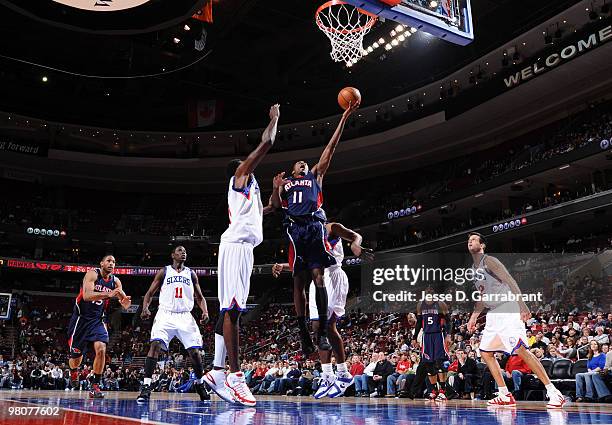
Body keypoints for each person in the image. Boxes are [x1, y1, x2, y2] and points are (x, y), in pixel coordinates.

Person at [203, 104, 280, 407]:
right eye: (244, 165)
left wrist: (274, 191)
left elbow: (269, 209)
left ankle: (217, 372)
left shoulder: (249, 192)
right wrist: (273, 119)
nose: (248, 167)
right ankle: (236, 377)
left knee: (228, 310)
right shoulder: (239, 179)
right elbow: (268, 143)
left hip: (241, 248)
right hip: (235, 248)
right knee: (234, 311)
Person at [271, 101, 360, 357]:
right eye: (298, 164)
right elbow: (276, 206)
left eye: (304, 163)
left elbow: (331, 148)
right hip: (294, 230)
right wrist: (275, 187)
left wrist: (344, 117)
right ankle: (303, 335)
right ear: (292, 171)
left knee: (318, 276)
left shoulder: (315, 177)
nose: (302, 164)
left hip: (313, 227)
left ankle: (319, 335)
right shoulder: (286, 184)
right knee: (298, 282)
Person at [272, 221, 372, 399]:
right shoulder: (305, 235)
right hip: (316, 281)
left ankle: (342, 373)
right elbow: (303, 263)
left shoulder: (331, 227)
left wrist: (356, 245)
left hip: (333, 277)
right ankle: (327, 375)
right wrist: (283, 265)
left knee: (328, 326)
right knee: (317, 328)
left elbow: (354, 236)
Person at [466, 232, 565, 408]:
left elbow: (510, 280)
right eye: (469, 240)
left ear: (482, 245)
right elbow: (482, 296)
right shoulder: (474, 269)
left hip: (507, 308)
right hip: (493, 313)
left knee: (520, 349)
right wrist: (474, 316)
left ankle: (553, 392)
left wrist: (522, 304)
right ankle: (504, 394)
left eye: (473, 239)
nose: (470, 242)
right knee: (485, 353)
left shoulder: (490, 261)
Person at [137, 246, 209, 403]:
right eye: (179, 250)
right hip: (165, 314)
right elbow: (149, 293)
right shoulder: (164, 271)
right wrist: (145, 308)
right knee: (155, 345)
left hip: (185, 316)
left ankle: (199, 384)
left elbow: (200, 297)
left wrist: (205, 312)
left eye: (185, 251)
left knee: (195, 354)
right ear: (172, 255)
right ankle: (146, 386)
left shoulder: (191, 273)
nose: (183, 252)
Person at [67, 255, 131, 399]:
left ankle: (95, 385)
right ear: (101, 263)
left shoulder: (116, 281)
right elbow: (87, 296)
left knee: (101, 349)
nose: (111, 263)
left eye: (114, 262)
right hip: (81, 319)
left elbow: (123, 298)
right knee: (76, 357)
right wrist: (109, 294)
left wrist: (125, 303)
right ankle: (73, 370)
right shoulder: (92, 274)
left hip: (97, 320)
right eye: (108, 261)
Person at [414, 287, 451, 401]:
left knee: (440, 363)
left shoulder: (440, 304)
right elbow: (419, 322)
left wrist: (448, 335)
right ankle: (434, 391)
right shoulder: (420, 305)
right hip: (426, 335)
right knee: (429, 365)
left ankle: (443, 391)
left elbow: (448, 320)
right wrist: (414, 337)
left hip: (438, 335)